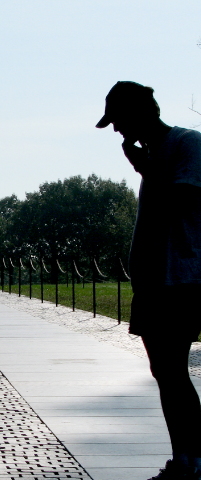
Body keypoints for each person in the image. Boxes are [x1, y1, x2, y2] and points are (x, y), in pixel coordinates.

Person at [97, 81, 201, 480]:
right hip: (154, 284)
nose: (117, 131)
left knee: (174, 371)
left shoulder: (185, 145)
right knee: (164, 373)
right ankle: (183, 458)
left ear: (141, 113)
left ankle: (195, 460)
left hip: (179, 280)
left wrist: (145, 168)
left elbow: (182, 203)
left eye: (119, 120)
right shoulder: (155, 154)